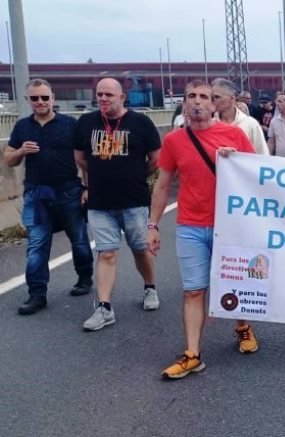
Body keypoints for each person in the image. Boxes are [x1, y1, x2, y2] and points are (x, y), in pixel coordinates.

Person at [150, 79, 259, 379]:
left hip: (230, 226)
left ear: (215, 104)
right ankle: (192, 354)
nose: (197, 102)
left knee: (234, 284)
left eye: (204, 97)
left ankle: (242, 327)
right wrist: (153, 225)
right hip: (191, 226)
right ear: (184, 103)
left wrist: (234, 159)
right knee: (193, 290)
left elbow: (259, 175)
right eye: (191, 97)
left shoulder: (234, 134)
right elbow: (162, 186)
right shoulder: (173, 141)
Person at [73, 78, 161, 331]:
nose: (103, 98)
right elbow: (80, 157)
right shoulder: (87, 123)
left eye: (109, 94)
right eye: (99, 94)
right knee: (106, 252)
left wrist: (132, 175)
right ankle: (104, 307)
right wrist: (99, 179)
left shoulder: (140, 122)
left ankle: (149, 288)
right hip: (100, 202)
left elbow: (155, 159)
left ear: (122, 97)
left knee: (140, 250)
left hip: (134, 201)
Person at [4, 78, 93, 315]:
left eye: (45, 97)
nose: (40, 102)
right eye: (35, 98)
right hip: (36, 194)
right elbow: (9, 158)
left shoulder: (69, 124)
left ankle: (85, 277)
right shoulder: (22, 127)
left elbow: (84, 158)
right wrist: (22, 150)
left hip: (69, 191)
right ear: (28, 100)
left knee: (80, 240)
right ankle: (36, 294)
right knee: (36, 246)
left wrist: (87, 187)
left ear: (53, 98)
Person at [212, 78, 268, 155]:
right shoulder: (210, 125)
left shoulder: (251, 124)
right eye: (211, 97)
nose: (213, 101)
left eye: (217, 97)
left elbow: (262, 155)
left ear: (232, 98)